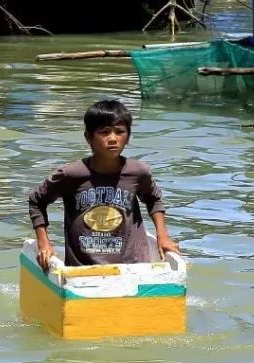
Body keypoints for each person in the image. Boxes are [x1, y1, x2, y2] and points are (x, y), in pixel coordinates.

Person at [27, 99, 179, 271]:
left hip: (133, 268)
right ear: (88, 137)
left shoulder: (138, 172)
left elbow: (154, 199)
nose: (113, 138)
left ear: (128, 136)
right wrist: (44, 243)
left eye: (119, 132)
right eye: (104, 132)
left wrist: (163, 236)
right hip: (83, 271)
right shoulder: (71, 174)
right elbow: (37, 200)